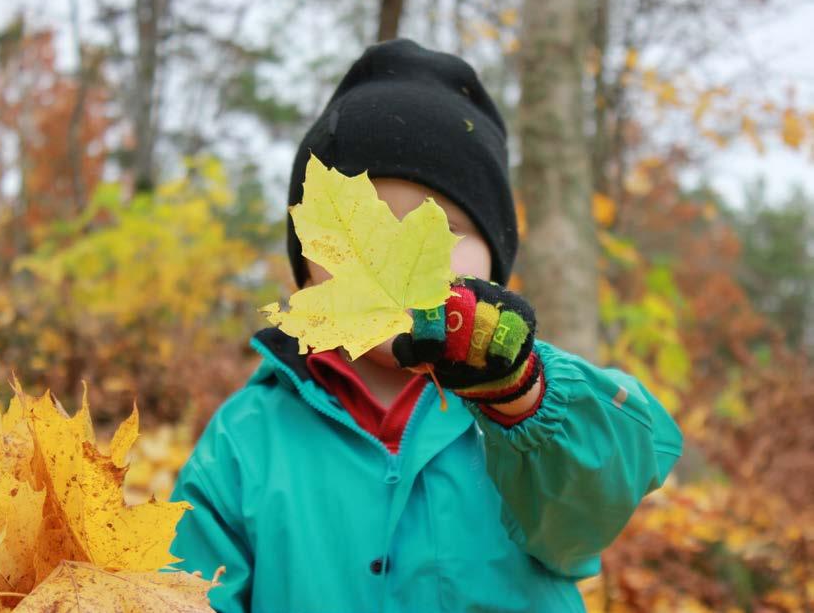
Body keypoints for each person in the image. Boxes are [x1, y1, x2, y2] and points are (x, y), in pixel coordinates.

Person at [168, 38, 683, 613]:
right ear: (308, 269)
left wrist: (520, 396)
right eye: (367, 229)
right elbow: (189, 590)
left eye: (444, 227)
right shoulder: (247, 436)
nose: (394, 258)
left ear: (494, 263)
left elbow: (591, 508)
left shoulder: (534, 410)